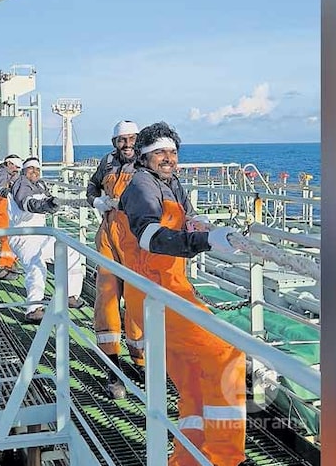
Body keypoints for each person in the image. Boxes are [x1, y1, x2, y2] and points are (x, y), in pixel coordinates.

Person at [116, 122, 245, 466]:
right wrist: (205, 242)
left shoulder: (169, 182)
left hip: (172, 288)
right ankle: (226, 458)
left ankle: (187, 459)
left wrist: (202, 227)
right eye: (160, 152)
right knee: (225, 353)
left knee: (192, 382)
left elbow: (185, 218)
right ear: (144, 157)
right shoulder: (142, 186)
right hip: (155, 293)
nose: (168, 158)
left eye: (172, 152)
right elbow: (149, 238)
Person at [85, 120, 144, 399]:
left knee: (136, 299)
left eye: (132, 138)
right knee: (106, 297)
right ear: (114, 143)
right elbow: (92, 187)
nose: (128, 144)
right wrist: (96, 201)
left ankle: (141, 362)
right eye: (122, 140)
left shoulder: (147, 163)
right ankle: (112, 365)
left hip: (136, 238)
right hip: (109, 236)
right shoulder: (107, 163)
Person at [9, 157, 87, 324]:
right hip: (23, 236)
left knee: (71, 253)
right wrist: (45, 206)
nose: (34, 172)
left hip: (41, 234)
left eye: (37, 169)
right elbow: (27, 203)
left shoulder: (40, 185)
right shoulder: (20, 184)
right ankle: (33, 309)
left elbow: (47, 201)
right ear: (23, 171)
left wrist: (52, 203)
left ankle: (70, 295)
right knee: (37, 266)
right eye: (30, 169)